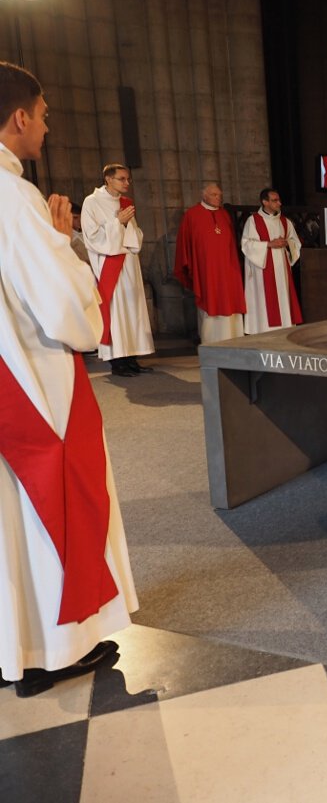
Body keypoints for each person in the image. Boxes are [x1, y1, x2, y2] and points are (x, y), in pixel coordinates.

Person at [0, 61, 137, 697]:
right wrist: (65, 248)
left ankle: (12, 647)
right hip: (35, 383)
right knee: (53, 503)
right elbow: (69, 316)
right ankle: (56, 649)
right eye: (46, 115)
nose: (49, 129)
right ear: (20, 116)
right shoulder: (14, 197)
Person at [82, 162, 154, 377]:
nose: (127, 183)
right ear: (108, 179)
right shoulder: (91, 202)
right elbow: (92, 237)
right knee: (115, 312)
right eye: (122, 179)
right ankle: (117, 362)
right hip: (108, 265)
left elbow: (135, 234)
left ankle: (131, 358)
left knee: (132, 310)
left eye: (128, 179)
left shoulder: (126, 202)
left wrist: (124, 226)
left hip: (129, 263)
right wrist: (117, 224)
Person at [174, 182, 247, 343]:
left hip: (228, 268)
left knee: (230, 298)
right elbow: (185, 243)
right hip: (206, 270)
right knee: (210, 300)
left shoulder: (224, 214)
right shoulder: (192, 215)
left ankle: (234, 338)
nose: (218, 198)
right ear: (204, 196)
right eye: (214, 195)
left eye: (220, 195)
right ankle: (211, 341)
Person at [241, 188, 303, 334]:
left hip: (281, 269)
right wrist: (268, 244)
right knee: (265, 301)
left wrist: (287, 243)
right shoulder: (253, 221)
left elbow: (296, 242)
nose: (279, 203)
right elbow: (246, 244)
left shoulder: (285, 221)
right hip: (262, 269)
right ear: (265, 202)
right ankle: (263, 329)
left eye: (279, 200)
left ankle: (284, 329)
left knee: (282, 295)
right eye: (275, 200)